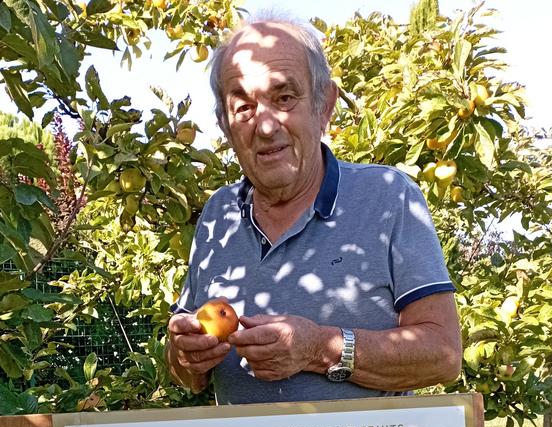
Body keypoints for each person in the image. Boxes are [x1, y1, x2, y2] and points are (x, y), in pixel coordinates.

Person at [166, 16, 462, 405]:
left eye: (284, 98)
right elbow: (186, 374)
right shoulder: (218, 215)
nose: (266, 126)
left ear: (325, 106)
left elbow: (443, 354)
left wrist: (321, 348)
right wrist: (186, 355)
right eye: (243, 107)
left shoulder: (388, 197)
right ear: (225, 125)